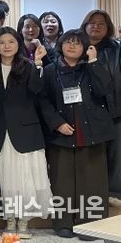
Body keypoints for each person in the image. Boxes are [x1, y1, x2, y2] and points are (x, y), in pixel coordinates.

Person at [39, 29, 116, 238]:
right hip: (62, 132)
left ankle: (91, 224)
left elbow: (104, 90)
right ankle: (63, 223)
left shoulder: (91, 66)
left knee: (92, 181)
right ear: (61, 45)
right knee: (61, 181)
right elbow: (43, 101)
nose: (72, 46)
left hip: (92, 130)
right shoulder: (50, 70)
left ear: (85, 48)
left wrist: (93, 62)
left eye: (77, 43)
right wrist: (57, 123)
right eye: (68, 42)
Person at [0, 27, 53, 238]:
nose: (6, 46)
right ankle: (9, 219)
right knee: (6, 177)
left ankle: (24, 221)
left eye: (11, 42)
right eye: (2, 42)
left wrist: (39, 63)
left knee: (26, 177)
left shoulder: (28, 66)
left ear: (18, 44)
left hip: (26, 131)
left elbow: (37, 90)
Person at [80, 10, 121, 208]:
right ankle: (92, 193)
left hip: (115, 109)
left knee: (116, 154)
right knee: (92, 155)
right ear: (85, 25)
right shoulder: (77, 46)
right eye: (92, 22)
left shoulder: (116, 49)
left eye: (101, 23)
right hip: (86, 112)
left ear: (108, 28)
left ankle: (114, 192)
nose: (96, 26)